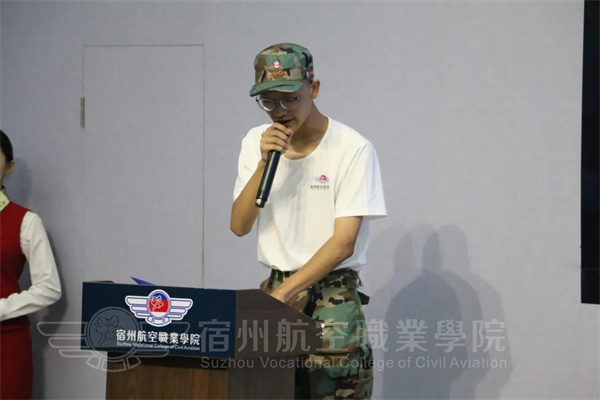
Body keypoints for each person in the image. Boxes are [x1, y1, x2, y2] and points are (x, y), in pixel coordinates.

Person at [231, 43, 387, 399]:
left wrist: (284, 294)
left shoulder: (352, 148)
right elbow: (239, 225)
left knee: (335, 387)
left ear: (313, 89)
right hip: (275, 289)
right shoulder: (256, 142)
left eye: (290, 99)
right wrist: (263, 163)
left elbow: (343, 243)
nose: (280, 111)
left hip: (331, 294)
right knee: (267, 391)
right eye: (268, 101)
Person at [0, 130, 62, 399]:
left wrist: (2, 308)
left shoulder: (25, 221)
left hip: (6, 342)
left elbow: (49, 287)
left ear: (9, 166)